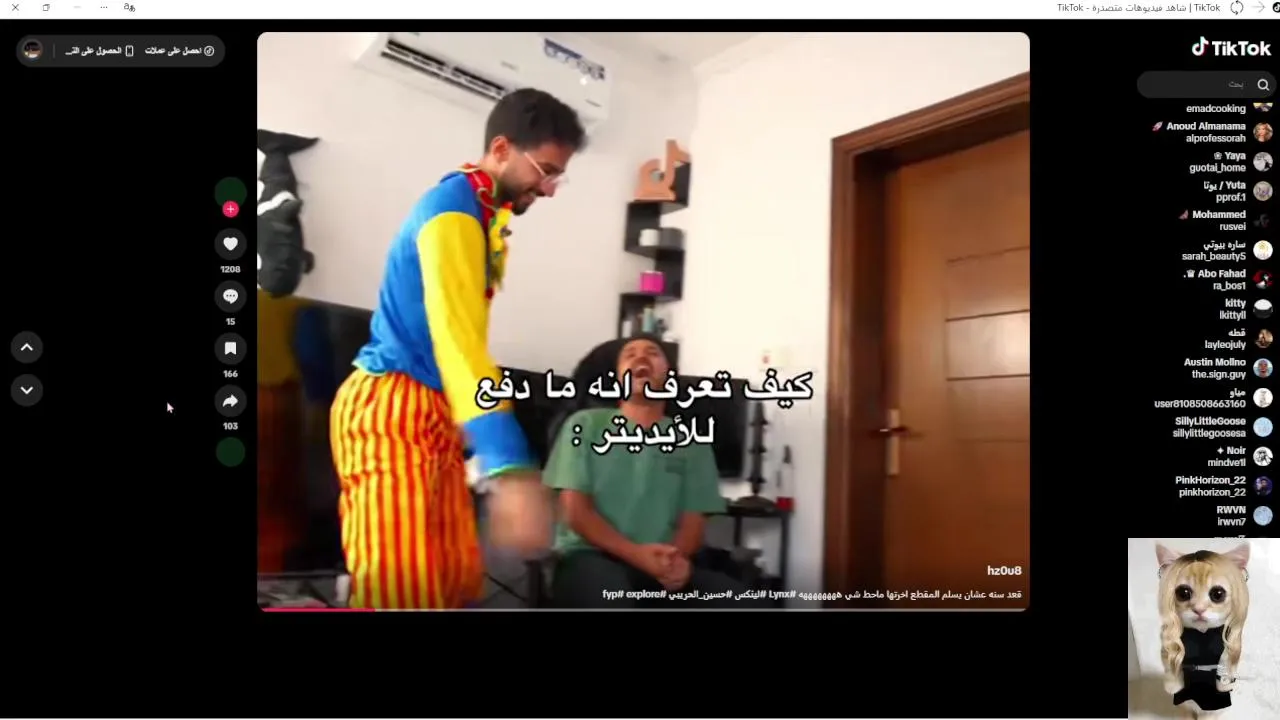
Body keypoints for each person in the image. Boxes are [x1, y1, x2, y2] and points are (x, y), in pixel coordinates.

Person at [329, 88, 586, 609]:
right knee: (402, 593)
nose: (550, 189)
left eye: (558, 177)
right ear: (501, 149)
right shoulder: (452, 212)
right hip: (390, 406)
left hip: (433, 411)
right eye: (545, 171)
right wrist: (509, 466)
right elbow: (458, 343)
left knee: (454, 584)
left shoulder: (481, 213)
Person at [544, 336, 767, 609]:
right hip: (589, 558)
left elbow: (693, 524)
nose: (641, 357)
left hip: (663, 560)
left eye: (652, 353)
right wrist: (637, 555)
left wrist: (674, 561)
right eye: (630, 354)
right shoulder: (585, 425)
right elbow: (577, 513)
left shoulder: (691, 441)